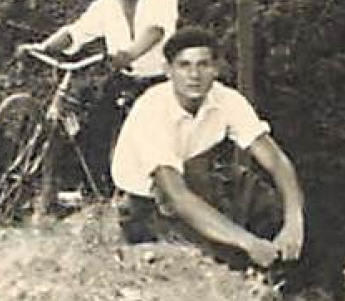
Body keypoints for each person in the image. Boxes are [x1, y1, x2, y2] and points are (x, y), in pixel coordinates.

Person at [110, 27, 304, 273]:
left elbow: (275, 159)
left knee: (270, 208)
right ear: (168, 70)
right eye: (184, 65)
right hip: (148, 202)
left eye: (203, 65)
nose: (194, 75)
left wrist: (294, 221)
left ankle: (290, 293)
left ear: (215, 69)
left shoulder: (227, 99)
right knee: (216, 259)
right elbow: (176, 196)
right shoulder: (153, 110)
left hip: (200, 180)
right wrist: (248, 242)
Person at [16, 0, 178, 192]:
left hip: (158, 80)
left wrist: (127, 55)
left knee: (150, 142)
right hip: (122, 79)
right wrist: (44, 46)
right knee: (93, 132)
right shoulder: (104, 6)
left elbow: (156, 30)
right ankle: (99, 196)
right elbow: (75, 32)